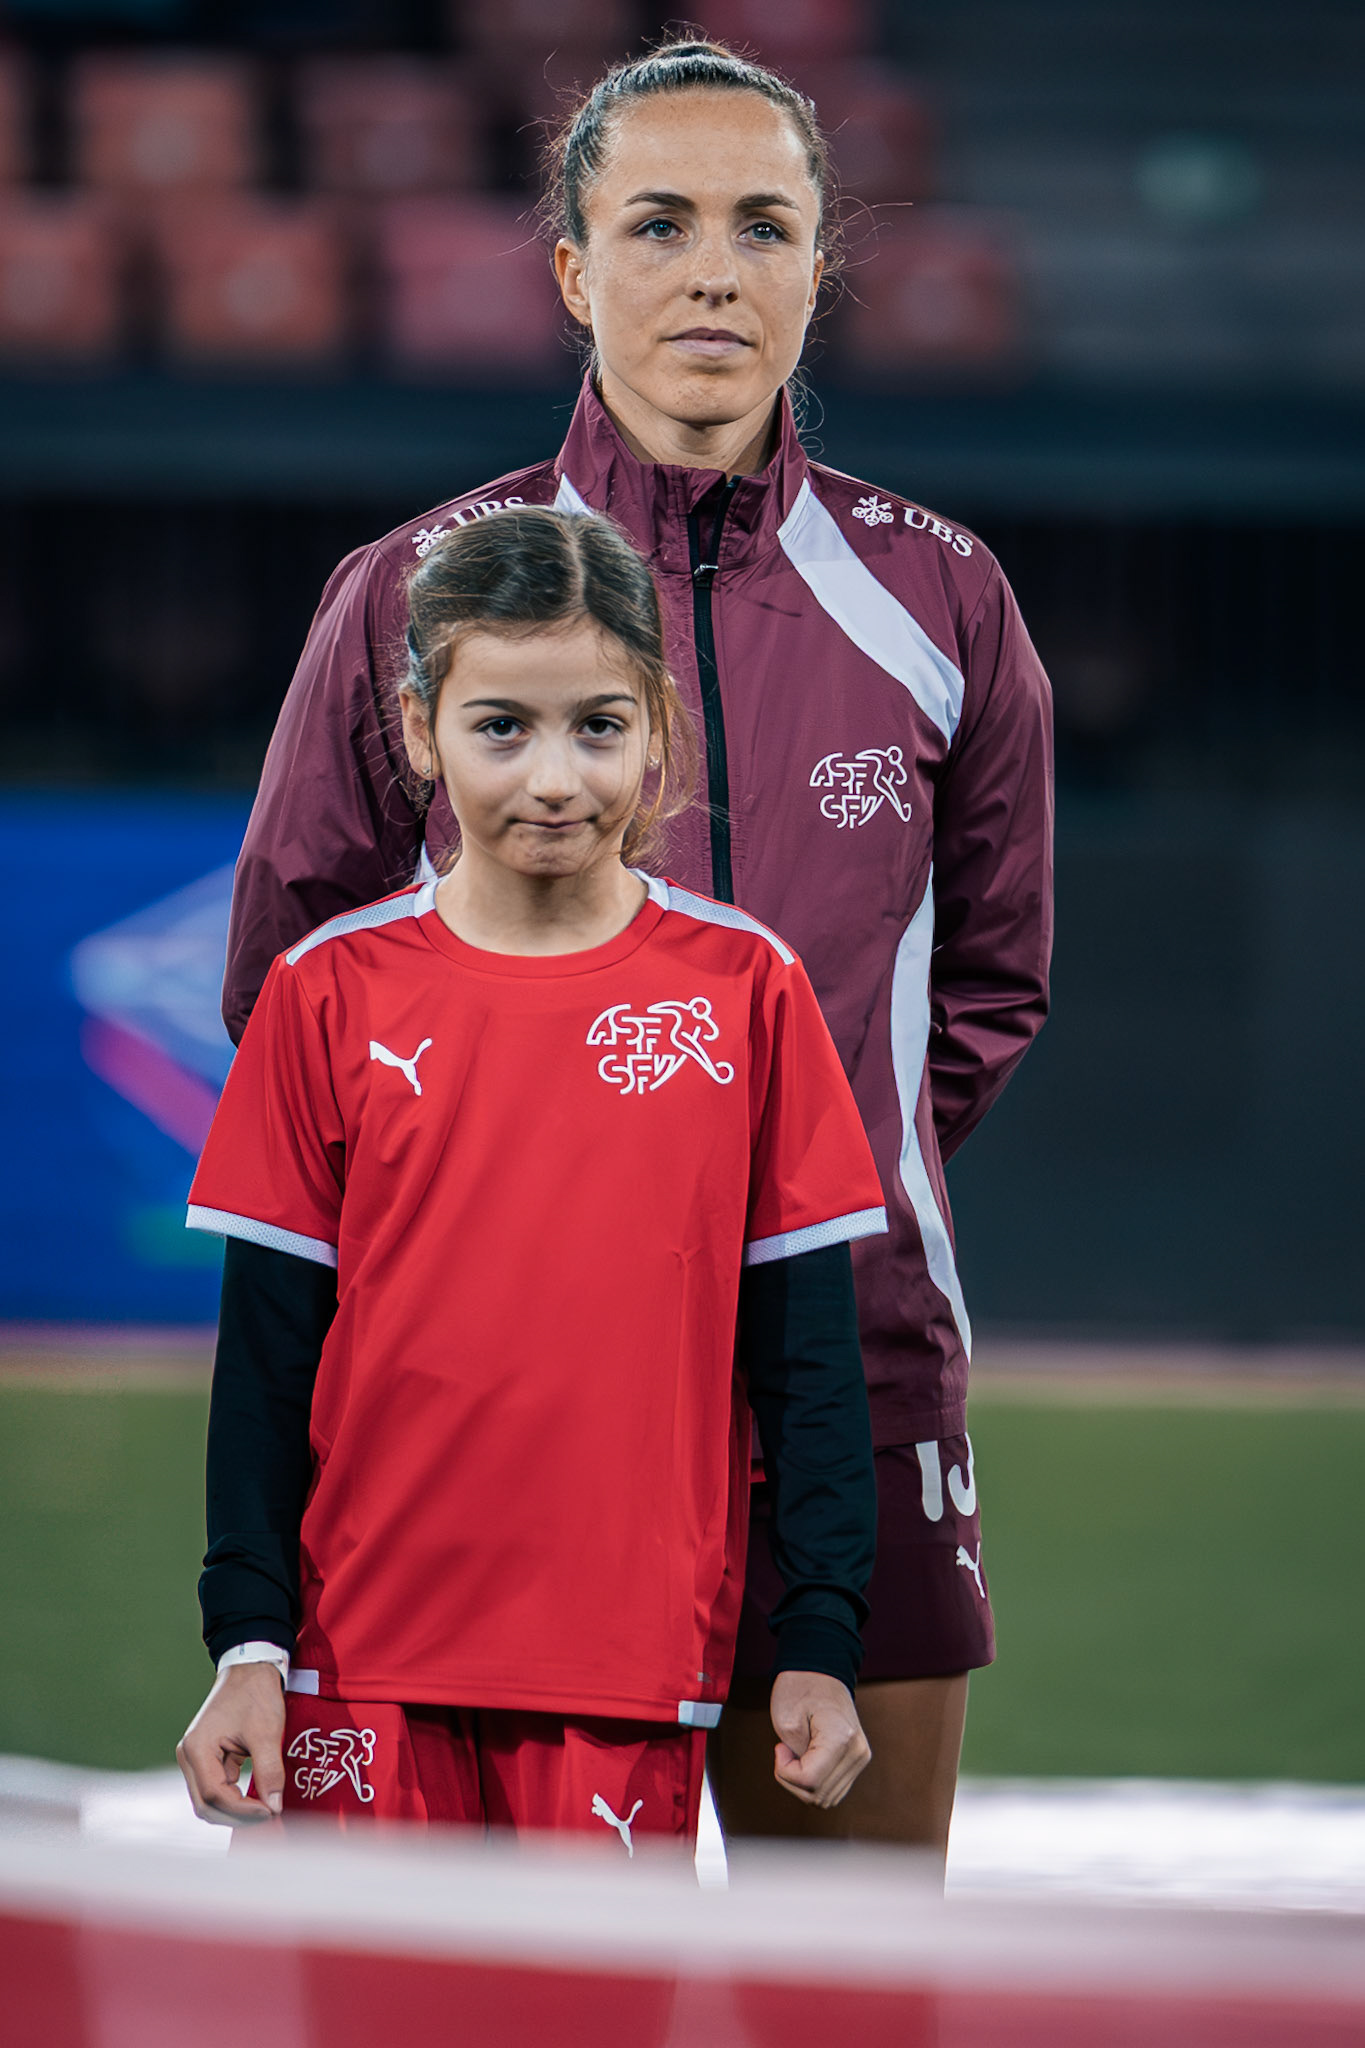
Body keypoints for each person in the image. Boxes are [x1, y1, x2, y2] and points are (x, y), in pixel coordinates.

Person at [219, 41, 1054, 1852]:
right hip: (496, 1403)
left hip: (860, 1352)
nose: (712, 270)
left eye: (764, 226)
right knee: (480, 1989)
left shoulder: (942, 601)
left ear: (819, 269)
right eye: (657, 222)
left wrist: (776, 1205)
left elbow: (986, 985)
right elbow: (292, 984)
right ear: (574, 269)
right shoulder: (413, 592)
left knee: (841, 1977)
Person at [176, 506, 885, 1847]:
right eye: (500, 726)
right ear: (415, 728)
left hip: (624, 1670)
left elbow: (809, 1364)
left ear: (660, 726)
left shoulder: (748, 990)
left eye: (598, 727)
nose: (553, 777)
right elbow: (265, 1363)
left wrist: (820, 1636)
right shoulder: (324, 993)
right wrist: (245, 1646)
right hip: (356, 1671)